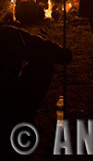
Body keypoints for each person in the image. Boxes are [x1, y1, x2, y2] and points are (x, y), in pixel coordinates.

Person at [0, 24, 72, 154]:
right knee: (43, 65)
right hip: (8, 98)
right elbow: (50, 51)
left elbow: (44, 49)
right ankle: (21, 116)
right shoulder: (10, 35)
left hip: (7, 94)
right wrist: (62, 53)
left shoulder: (10, 35)